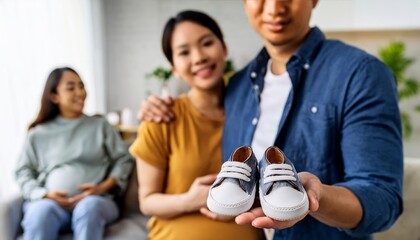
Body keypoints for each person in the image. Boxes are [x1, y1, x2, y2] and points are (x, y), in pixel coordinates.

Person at [137, 1, 403, 239]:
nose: (274, 8)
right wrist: (153, 107)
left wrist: (319, 197)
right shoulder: (238, 87)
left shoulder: (360, 74)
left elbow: (382, 200)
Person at [129, 10, 262, 240]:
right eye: (184, 52)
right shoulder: (161, 119)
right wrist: (190, 200)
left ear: (224, 48)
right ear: (174, 69)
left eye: (207, 43)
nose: (199, 57)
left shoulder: (256, 112)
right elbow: (147, 202)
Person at [15, 67, 134, 240]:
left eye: (81, 86)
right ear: (54, 97)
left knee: (88, 208)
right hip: (53, 204)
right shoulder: (38, 134)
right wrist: (44, 194)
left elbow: (124, 160)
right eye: (71, 88)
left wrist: (102, 187)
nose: (80, 92)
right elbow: (23, 172)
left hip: (96, 201)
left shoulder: (100, 126)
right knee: (40, 213)